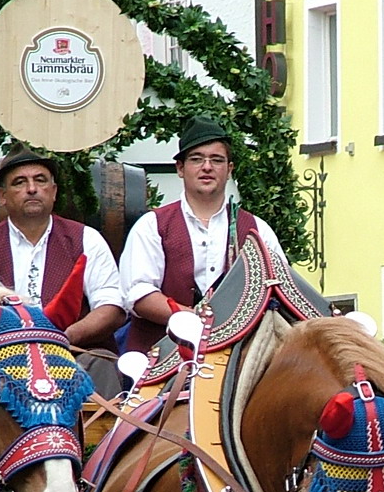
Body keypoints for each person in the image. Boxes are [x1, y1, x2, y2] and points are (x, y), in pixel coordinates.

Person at [119, 115, 286, 353]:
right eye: (197, 159)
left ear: (229, 170)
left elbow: (278, 289)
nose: (207, 167)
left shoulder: (257, 229)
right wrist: (193, 320)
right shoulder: (153, 225)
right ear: (180, 168)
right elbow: (138, 294)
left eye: (216, 160)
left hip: (237, 356)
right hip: (161, 355)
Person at [0, 146, 127, 350]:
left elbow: (111, 306)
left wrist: (65, 336)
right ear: (2, 196)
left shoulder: (87, 239)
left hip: (75, 354)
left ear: (54, 191)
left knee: (101, 369)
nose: (32, 189)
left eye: (40, 180)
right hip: (1, 358)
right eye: (19, 182)